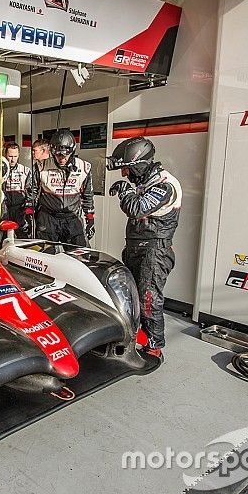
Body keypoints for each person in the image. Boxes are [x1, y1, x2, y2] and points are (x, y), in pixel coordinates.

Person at [106, 137, 182, 360]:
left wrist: (124, 190)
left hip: (155, 251)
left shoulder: (165, 184)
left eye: (126, 169)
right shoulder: (144, 181)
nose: (124, 175)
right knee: (130, 294)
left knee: (148, 298)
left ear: (138, 164)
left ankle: (154, 346)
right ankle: (135, 337)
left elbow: (137, 208)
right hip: (136, 247)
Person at [25, 130, 94, 247]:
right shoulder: (41, 167)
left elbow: (87, 196)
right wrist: (29, 212)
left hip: (72, 218)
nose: (61, 158)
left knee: (79, 256)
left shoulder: (84, 167)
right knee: (46, 257)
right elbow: (32, 192)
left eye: (64, 155)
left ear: (71, 152)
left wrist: (90, 218)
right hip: (48, 218)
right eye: (57, 155)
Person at [2, 142, 30, 236]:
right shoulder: (1, 171)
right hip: (5, 209)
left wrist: (28, 205)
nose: (12, 159)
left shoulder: (25, 170)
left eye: (15, 156)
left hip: (20, 209)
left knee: (24, 236)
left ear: (18, 155)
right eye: (10, 156)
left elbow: (31, 190)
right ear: (5, 155)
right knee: (3, 236)